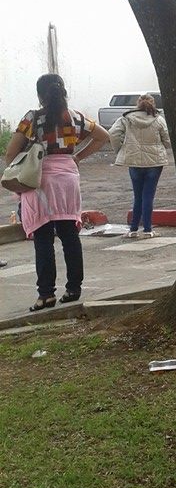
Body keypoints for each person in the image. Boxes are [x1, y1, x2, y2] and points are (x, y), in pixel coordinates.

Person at [4, 74, 109, 311]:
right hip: (67, 180)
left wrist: (17, 171)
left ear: (40, 95)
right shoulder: (75, 117)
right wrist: (78, 157)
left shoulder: (32, 118)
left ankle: (46, 294)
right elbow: (104, 136)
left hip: (39, 180)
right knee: (69, 235)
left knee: (43, 239)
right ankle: (73, 289)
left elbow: (11, 152)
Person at [108, 94, 171, 239]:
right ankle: (148, 229)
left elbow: (113, 133)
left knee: (138, 196)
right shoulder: (159, 119)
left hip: (134, 160)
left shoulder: (126, 119)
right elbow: (167, 141)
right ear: (153, 104)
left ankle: (133, 229)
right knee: (148, 195)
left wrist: (120, 149)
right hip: (154, 162)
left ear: (138, 103)